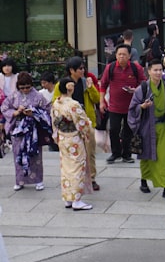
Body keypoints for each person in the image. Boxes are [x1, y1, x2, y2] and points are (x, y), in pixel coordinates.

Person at [129, 58, 165, 197]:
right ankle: (144, 180)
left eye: (160, 70)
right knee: (147, 156)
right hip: (147, 127)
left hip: (163, 126)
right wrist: (142, 106)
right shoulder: (142, 89)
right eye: (155, 70)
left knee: (163, 156)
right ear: (149, 71)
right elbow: (133, 108)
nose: (158, 73)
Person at [53, 57, 101, 192]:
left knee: (90, 151)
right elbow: (55, 102)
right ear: (71, 70)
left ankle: (91, 178)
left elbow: (96, 99)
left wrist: (91, 88)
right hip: (69, 126)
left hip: (86, 121)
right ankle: (75, 179)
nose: (83, 71)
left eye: (83, 68)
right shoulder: (61, 85)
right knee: (73, 154)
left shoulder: (86, 82)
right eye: (80, 68)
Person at [51, 76, 95, 210]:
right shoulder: (73, 104)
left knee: (66, 168)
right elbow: (82, 123)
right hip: (74, 139)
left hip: (63, 138)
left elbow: (54, 121)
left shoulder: (56, 103)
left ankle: (67, 198)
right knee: (77, 168)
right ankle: (76, 199)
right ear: (70, 88)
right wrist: (88, 127)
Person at [2, 73, 51, 191]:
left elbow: (47, 109)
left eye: (27, 87)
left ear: (32, 85)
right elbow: (4, 107)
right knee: (18, 154)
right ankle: (20, 180)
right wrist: (15, 112)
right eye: (22, 87)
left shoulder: (38, 96)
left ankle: (38, 180)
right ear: (18, 86)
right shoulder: (13, 96)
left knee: (36, 155)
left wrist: (34, 112)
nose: (25, 90)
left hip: (33, 129)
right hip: (18, 129)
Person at [100, 43, 146, 164]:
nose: (121, 57)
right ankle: (115, 153)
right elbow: (103, 85)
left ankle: (127, 154)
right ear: (115, 55)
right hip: (114, 106)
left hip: (131, 106)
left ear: (129, 56)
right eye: (119, 54)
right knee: (114, 129)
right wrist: (101, 102)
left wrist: (135, 90)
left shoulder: (136, 68)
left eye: (124, 55)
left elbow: (144, 84)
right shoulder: (110, 68)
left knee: (128, 132)